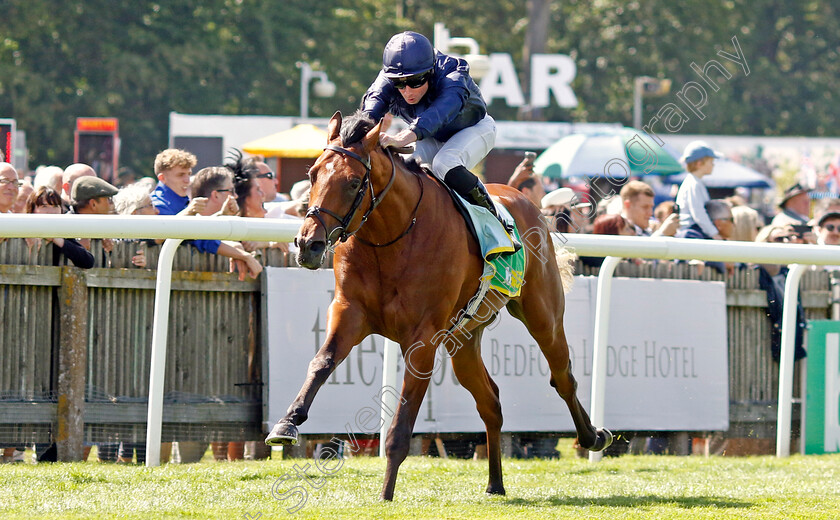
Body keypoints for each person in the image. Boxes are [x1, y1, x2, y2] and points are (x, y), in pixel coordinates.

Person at [360, 31, 519, 251]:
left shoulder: (454, 72)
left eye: (415, 81)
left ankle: (497, 223)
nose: (407, 91)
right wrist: (358, 138)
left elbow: (441, 112)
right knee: (407, 171)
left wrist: (402, 137)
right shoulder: (389, 78)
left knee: (445, 163)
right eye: (399, 84)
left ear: (430, 71)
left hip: (474, 129)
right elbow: (369, 111)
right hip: (430, 135)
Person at [24, 186, 94, 269]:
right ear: (32, 210)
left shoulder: (62, 234)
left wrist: (57, 239)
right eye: (44, 206)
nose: (51, 212)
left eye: (55, 206)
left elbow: (88, 261)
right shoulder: (21, 231)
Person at [676, 141, 722, 240]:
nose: (713, 165)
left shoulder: (695, 182)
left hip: (694, 230)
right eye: (711, 162)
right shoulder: (694, 184)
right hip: (691, 232)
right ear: (699, 163)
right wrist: (714, 234)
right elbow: (698, 213)